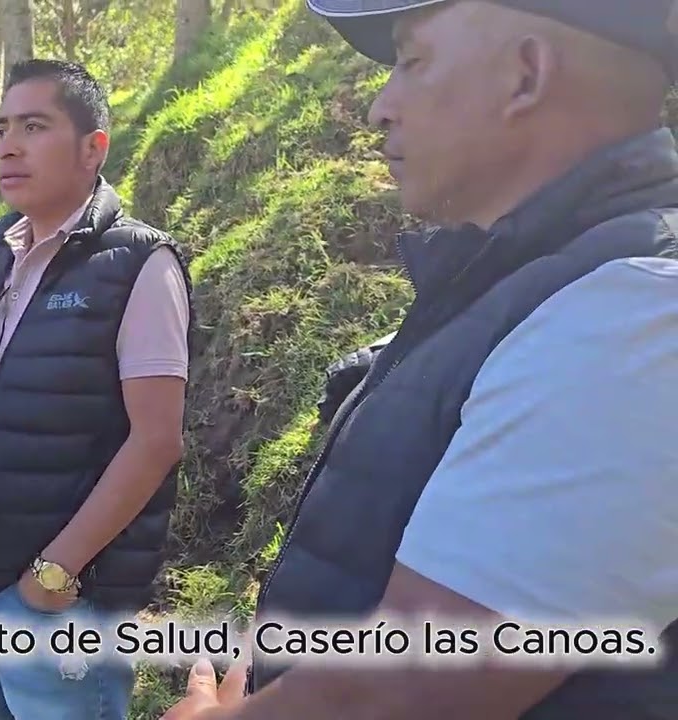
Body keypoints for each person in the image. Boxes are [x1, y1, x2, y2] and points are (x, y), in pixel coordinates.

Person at [164, 1, 678, 718]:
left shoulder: (640, 307)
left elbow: (405, 687)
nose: (380, 107)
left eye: (413, 60)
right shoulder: (514, 283)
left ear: (525, 75)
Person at [0, 59, 193, 720]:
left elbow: (156, 442)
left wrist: (54, 572)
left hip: (55, 599)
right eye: (2, 127)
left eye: (34, 127)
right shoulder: (1, 258)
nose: (8, 145)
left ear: (93, 148)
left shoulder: (139, 265)